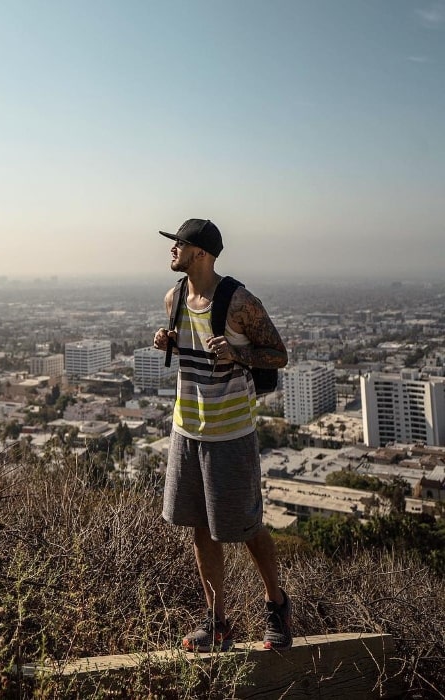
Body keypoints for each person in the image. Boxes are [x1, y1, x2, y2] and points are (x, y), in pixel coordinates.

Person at [153, 218, 292, 652]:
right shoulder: (173, 297)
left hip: (231, 432)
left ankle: (277, 606)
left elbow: (278, 354)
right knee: (198, 524)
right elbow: (190, 349)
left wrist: (238, 352)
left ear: (202, 253)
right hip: (186, 427)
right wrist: (167, 342)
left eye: (180, 243)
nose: (172, 248)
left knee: (246, 525)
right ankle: (217, 624)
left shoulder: (239, 301)